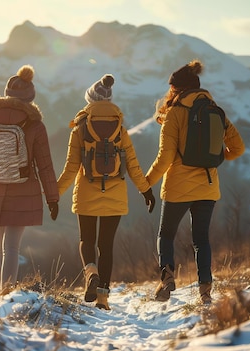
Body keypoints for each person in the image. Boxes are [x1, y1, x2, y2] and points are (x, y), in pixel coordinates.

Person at [145, 59, 245, 304]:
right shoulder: (215, 110)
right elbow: (238, 148)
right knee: (201, 240)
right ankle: (205, 291)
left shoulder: (175, 113)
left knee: (166, 234)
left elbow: (165, 157)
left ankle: (167, 279)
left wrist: (145, 183)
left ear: (177, 89)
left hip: (178, 187)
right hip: (208, 187)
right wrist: (220, 156)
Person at [57, 74, 155, 309]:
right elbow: (132, 165)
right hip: (115, 193)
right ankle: (102, 299)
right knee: (106, 245)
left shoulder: (80, 128)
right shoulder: (120, 130)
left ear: (90, 100)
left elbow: (71, 167)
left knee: (86, 240)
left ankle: (91, 272)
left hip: (87, 193)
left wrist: (54, 195)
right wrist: (146, 191)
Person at [0, 65, 59, 291]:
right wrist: (52, 198)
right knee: (12, 247)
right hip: (22, 191)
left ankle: (1, 294)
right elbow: (45, 165)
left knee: (1, 247)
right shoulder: (35, 125)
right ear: (30, 98)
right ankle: (7, 296)